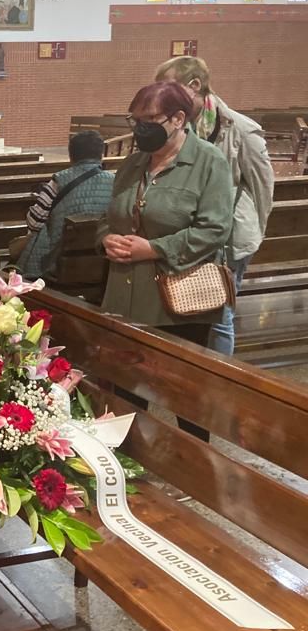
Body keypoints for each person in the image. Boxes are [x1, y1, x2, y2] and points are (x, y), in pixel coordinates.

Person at [99, 81, 234, 440]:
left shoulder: (208, 162)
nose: (140, 128)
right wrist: (105, 239)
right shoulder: (134, 163)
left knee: (185, 399)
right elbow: (108, 218)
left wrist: (155, 248)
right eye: (135, 120)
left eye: (149, 120)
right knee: (125, 392)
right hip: (124, 299)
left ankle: (193, 473)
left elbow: (216, 230)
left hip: (177, 304)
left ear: (177, 118)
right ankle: (130, 471)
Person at [154, 56, 274, 356]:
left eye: (168, 86)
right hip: (191, 235)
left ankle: (218, 378)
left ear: (194, 85)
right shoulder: (176, 125)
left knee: (220, 315)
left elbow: (263, 188)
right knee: (187, 306)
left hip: (230, 240)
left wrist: (249, 234)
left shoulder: (241, 130)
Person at [17, 131, 114, 280]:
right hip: (101, 265)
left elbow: (34, 222)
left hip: (56, 263)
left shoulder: (59, 181)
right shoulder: (116, 182)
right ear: (101, 155)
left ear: (71, 155)